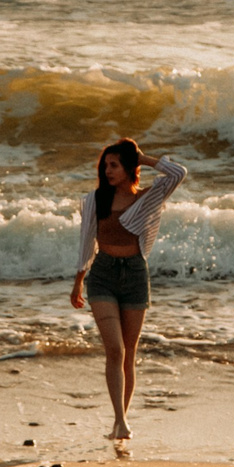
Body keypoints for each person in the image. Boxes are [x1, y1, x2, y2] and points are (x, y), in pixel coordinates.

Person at [69, 137, 187, 443]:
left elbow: (178, 173)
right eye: (105, 165)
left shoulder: (148, 198)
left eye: (114, 165)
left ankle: (120, 422)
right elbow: (86, 241)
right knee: (115, 350)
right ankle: (120, 421)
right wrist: (79, 280)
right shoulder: (95, 200)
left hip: (135, 275)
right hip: (102, 275)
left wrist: (143, 158)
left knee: (129, 353)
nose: (108, 171)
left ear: (128, 168)